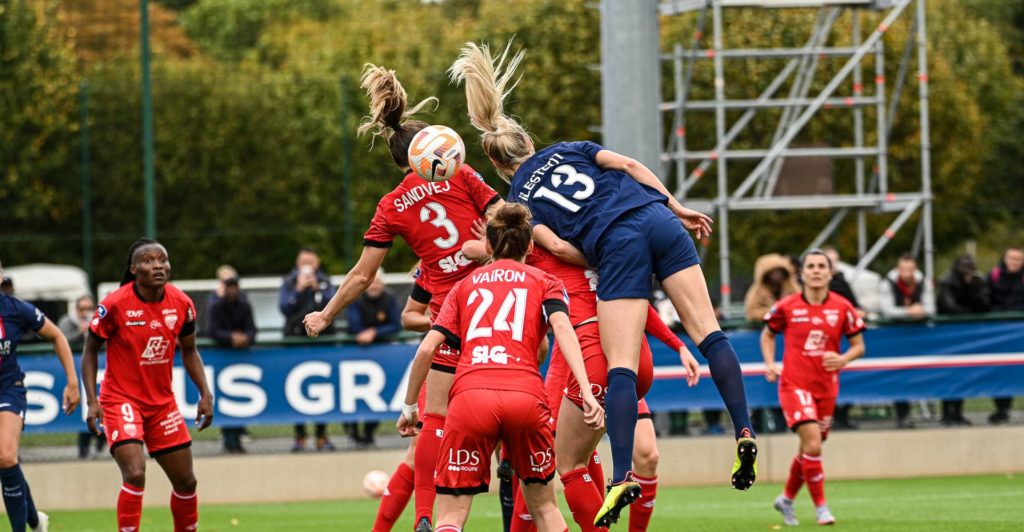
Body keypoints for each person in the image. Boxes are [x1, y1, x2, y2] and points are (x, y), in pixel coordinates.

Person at [450, 42, 758, 524]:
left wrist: (603, 249)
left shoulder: (522, 203)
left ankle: (620, 477)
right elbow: (632, 167)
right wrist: (674, 207)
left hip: (614, 256)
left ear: (500, 166)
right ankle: (744, 428)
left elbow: (558, 248)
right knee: (710, 332)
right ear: (529, 143)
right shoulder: (572, 148)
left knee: (612, 382)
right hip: (658, 217)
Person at [301, 64, 502, 532]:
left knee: (432, 421)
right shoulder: (464, 174)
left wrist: (326, 314)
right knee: (518, 403)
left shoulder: (391, 205)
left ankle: (426, 517)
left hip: (450, 314)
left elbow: (361, 274)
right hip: (496, 302)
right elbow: (508, 219)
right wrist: (487, 246)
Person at [396, 203, 604, 532]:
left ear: (488, 246)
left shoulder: (464, 286)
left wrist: (409, 407)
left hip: (470, 399)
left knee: (451, 515)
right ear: (531, 245)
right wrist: (589, 395)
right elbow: (565, 332)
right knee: (546, 508)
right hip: (526, 398)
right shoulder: (545, 281)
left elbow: (427, 348)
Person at [81, 239, 214, 532]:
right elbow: (90, 350)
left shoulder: (182, 304)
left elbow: (190, 351)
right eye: (148, 260)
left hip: (162, 405)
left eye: (162, 260)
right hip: (120, 401)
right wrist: (92, 400)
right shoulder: (115, 304)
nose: (157, 266)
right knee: (135, 473)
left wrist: (205, 393)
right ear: (133, 269)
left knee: (187, 482)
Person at [761, 249, 865, 526]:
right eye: (811, 266)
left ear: (831, 273)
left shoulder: (843, 307)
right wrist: (770, 363)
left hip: (826, 387)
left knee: (809, 449)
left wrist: (842, 358)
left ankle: (785, 499)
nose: (817, 270)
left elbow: (859, 346)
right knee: (813, 443)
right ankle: (821, 508)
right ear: (801, 273)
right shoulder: (787, 307)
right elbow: (768, 334)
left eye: (822, 266)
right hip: (794, 385)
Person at [0, 260, 80, 532]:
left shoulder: (15, 309)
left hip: (8, 388)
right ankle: (35, 521)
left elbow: (57, 335)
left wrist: (72, 381)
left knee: (6, 456)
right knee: (7, 462)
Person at [280, 247, 337, 452]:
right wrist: (298, 289)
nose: (307, 266)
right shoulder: (288, 282)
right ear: (297, 264)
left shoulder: (325, 282)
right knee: (296, 391)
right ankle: (300, 437)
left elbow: (334, 303)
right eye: (303, 262)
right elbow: (284, 307)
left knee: (322, 389)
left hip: (322, 343)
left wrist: (316, 290)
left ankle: (322, 436)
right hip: (296, 343)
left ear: (317, 263)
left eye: (311, 262)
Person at [344, 268, 402, 448]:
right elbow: (353, 324)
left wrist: (374, 333)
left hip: (381, 354)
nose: (375, 285)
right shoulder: (356, 299)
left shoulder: (389, 299)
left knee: (379, 395)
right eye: (372, 281)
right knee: (350, 395)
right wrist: (363, 333)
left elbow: (396, 324)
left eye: (378, 281)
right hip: (355, 353)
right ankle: (352, 430)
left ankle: (369, 432)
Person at [878, 253, 934, 428]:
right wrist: (909, 311)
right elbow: (887, 310)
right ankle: (903, 414)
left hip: (918, 335)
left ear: (915, 268)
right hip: (895, 335)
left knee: (920, 373)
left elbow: (931, 307)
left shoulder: (923, 282)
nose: (907, 273)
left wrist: (921, 311)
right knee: (898, 375)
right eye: (903, 269)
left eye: (910, 269)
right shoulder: (888, 282)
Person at [937, 254, 990, 426]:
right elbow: (948, 306)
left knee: (963, 373)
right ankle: (946, 413)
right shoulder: (947, 281)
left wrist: (974, 288)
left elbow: (984, 306)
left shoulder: (977, 281)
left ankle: (958, 412)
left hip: (967, 336)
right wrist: (969, 313)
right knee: (947, 373)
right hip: (947, 334)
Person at [206, 276, 256, 453]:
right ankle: (228, 439)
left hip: (242, 358)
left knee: (239, 400)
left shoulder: (244, 306)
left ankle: (238, 439)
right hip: (222, 358)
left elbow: (252, 329)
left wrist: (245, 338)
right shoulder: (216, 307)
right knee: (224, 401)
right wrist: (230, 337)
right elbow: (213, 331)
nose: (233, 291)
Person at [59, 295, 108, 459]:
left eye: (89, 308)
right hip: (76, 370)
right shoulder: (68, 321)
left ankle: (101, 443)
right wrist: (79, 332)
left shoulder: (99, 319)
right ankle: (84, 448)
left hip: (98, 371)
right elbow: (61, 340)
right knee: (83, 412)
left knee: (102, 409)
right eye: (82, 309)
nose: (85, 312)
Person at [987, 246, 1023, 424]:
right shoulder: (994, 276)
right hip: (998, 331)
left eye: (1018, 259)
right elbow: (986, 299)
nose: (1015, 263)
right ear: (1005, 258)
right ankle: (1002, 408)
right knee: (1000, 370)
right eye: (1012, 258)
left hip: (1020, 330)